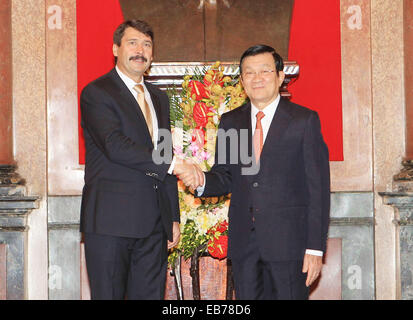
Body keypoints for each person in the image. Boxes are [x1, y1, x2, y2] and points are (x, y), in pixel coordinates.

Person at [181, 44, 330, 300]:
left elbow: (318, 190)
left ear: (280, 76)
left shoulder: (304, 121)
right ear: (242, 81)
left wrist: (315, 249)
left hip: (290, 247)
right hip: (244, 248)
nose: (257, 78)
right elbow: (225, 176)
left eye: (265, 71)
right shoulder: (231, 122)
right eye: (249, 73)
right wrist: (201, 178)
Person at [79, 20, 197, 300]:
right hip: (110, 222)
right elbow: (115, 146)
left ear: (152, 55)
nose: (140, 50)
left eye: (147, 45)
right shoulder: (97, 92)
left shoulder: (159, 98)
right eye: (132, 43)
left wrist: (173, 217)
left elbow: (165, 152)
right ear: (115, 49)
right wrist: (175, 166)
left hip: (154, 226)